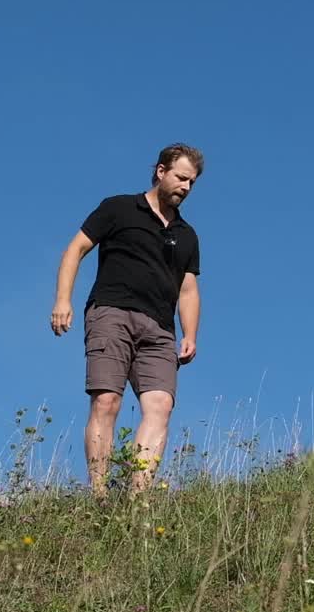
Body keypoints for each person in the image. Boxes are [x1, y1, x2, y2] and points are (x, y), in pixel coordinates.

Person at [50, 143, 203, 499]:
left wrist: (190, 333)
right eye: (181, 178)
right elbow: (76, 248)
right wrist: (62, 299)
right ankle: (100, 496)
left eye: (192, 183)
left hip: (161, 329)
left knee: (160, 406)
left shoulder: (187, 235)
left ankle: (138, 497)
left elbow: (188, 289)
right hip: (111, 312)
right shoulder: (118, 208)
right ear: (161, 171)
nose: (186, 187)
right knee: (106, 401)